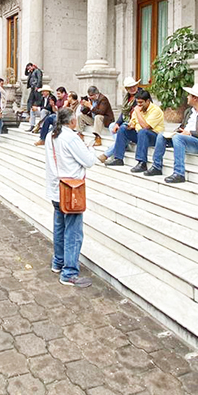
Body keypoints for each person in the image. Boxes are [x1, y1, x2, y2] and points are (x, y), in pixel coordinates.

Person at [45, 107, 97, 288]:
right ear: (71, 121)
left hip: (55, 188)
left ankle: (58, 263)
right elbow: (89, 161)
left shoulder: (51, 135)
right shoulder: (71, 137)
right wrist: (90, 149)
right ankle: (69, 273)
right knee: (73, 232)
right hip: (71, 190)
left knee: (59, 227)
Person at [145, 83, 198, 183]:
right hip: (185, 138)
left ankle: (179, 173)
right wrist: (174, 133)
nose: (187, 97)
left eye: (189, 95)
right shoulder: (189, 111)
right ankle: (156, 166)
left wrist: (190, 133)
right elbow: (182, 127)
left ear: (196, 98)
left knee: (178, 138)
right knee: (161, 136)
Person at [102, 88, 164, 167]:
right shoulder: (138, 109)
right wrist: (129, 126)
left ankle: (142, 162)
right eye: (137, 103)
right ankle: (118, 158)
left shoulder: (156, 110)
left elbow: (146, 127)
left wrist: (138, 112)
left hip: (154, 137)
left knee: (142, 131)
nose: (139, 105)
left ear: (148, 101)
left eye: (141, 102)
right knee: (123, 128)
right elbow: (133, 123)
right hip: (140, 135)